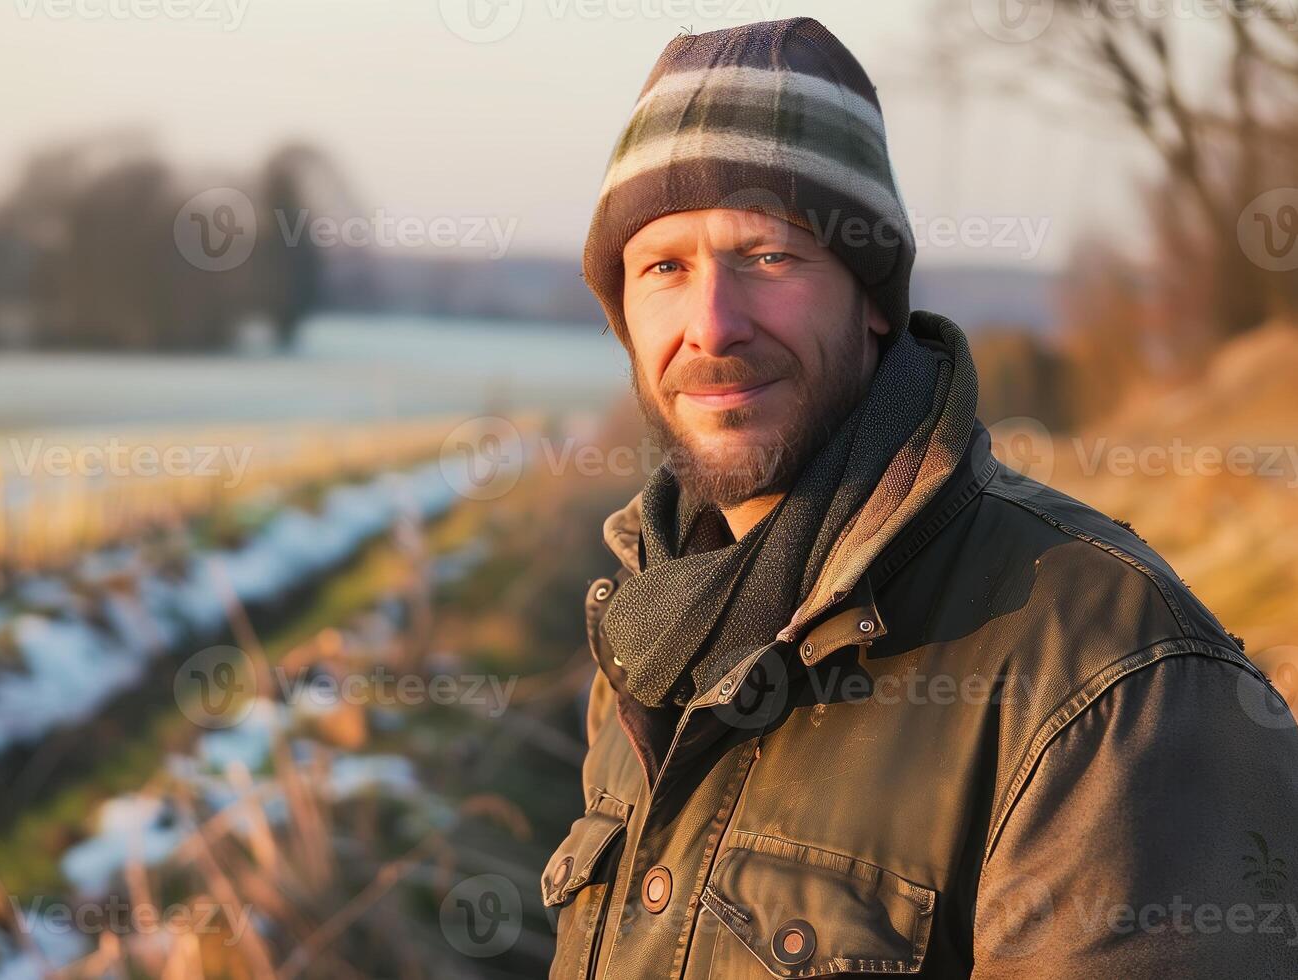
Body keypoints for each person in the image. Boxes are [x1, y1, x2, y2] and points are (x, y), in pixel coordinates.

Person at [545, 16, 1298, 979]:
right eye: (663, 269)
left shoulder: (1110, 675)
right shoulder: (648, 644)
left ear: (870, 297)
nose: (711, 324)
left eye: (768, 257)